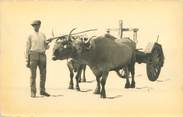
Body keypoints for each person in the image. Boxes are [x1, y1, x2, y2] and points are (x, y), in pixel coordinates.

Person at [26, 20, 50, 98]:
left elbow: (46, 47)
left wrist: (47, 44)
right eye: (34, 25)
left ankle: (42, 91)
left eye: (36, 25)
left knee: (43, 74)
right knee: (33, 75)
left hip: (42, 55)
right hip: (33, 55)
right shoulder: (30, 35)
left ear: (39, 25)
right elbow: (27, 48)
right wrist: (27, 59)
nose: (35, 26)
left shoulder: (43, 35)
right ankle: (33, 92)